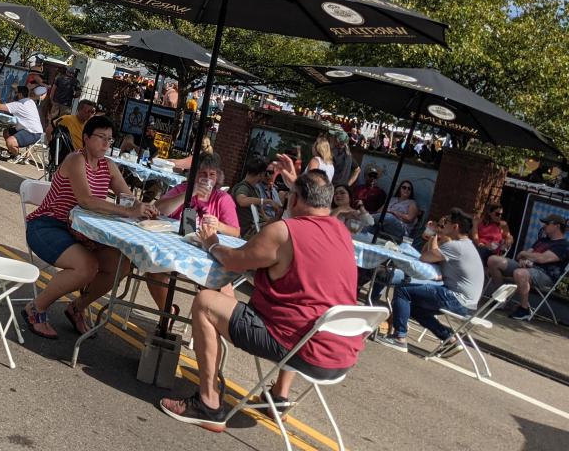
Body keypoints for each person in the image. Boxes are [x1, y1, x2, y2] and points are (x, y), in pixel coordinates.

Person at [159, 168, 362, 431]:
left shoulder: (284, 231)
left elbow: (233, 261)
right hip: (339, 355)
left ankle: (208, 403)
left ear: (294, 200)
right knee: (304, 313)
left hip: (298, 347)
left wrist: (211, 243)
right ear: (328, 200)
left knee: (205, 302)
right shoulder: (342, 234)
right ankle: (278, 397)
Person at [22, 115, 157, 338]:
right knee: (86, 267)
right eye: (101, 137)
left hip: (83, 233)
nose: (105, 144)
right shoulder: (76, 160)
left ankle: (77, 307)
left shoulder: (108, 166)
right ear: (86, 138)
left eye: (110, 140)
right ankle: (35, 309)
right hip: (49, 225)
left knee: (121, 265)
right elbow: (86, 200)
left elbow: (128, 197)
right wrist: (128, 211)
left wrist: (144, 207)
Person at [377, 208, 484, 353]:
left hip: (456, 299)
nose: (444, 225)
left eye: (447, 223)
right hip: (467, 303)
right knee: (414, 307)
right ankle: (449, 338)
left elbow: (424, 258)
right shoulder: (466, 245)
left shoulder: (455, 246)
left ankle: (399, 338)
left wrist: (435, 234)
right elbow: (428, 255)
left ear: (455, 227)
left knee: (403, 290)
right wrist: (436, 236)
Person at [147, 153, 239, 313]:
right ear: (194, 175)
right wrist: (189, 193)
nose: (207, 178)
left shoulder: (222, 198)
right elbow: (159, 209)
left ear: (217, 177)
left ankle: (214, 324)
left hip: (206, 256)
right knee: (153, 269)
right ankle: (167, 314)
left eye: (212, 174)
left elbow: (236, 232)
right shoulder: (183, 189)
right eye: (203, 174)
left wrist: (220, 226)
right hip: (175, 253)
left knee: (219, 283)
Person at [486, 214, 568, 320]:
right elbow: (521, 255)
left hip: (545, 275)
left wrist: (525, 254)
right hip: (526, 268)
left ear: (557, 226)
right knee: (493, 260)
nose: (544, 226)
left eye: (547, 224)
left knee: (520, 273)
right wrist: (522, 260)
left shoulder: (563, 245)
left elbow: (542, 259)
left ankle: (524, 308)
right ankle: (501, 299)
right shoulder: (542, 240)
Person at [231, 156, 278, 237]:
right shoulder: (243, 187)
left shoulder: (255, 189)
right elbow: (241, 201)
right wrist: (266, 201)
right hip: (249, 231)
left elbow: (264, 217)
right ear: (261, 174)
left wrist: (276, 220)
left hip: (258, 228)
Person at [0, 85, 44, 160]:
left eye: (15, 92)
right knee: (6, 132)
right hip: (31, 130)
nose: (13, 94)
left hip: (33, 133)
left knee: (10, 142)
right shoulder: (30, 101)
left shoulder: (18, 104)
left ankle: (17, 155)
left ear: (20, 94)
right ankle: (12, 152)